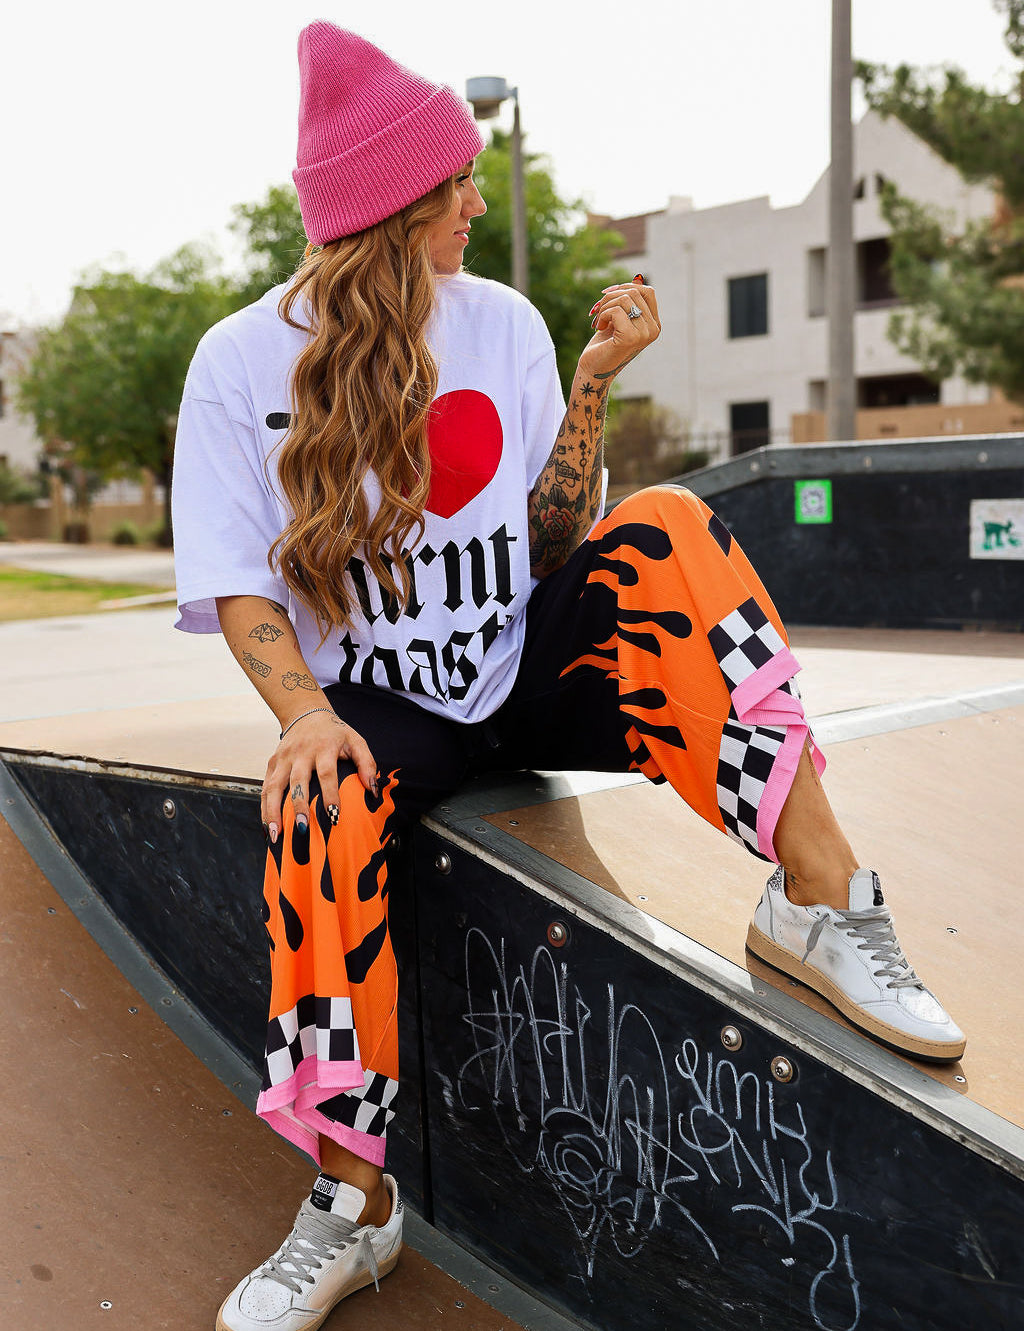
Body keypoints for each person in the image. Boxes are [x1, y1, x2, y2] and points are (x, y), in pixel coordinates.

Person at [171, 21, 965, 1331]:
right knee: (311, 804)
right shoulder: (240, 365)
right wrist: (303, 715)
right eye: (456, 185)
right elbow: (245, 586)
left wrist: (591, 380)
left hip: (525, 666)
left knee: (672, 529)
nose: (479, 201)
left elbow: (554, 545)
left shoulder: (502, 327)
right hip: (380, 706)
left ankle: (818, 899)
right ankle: (353, 1205)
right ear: (388, 208)